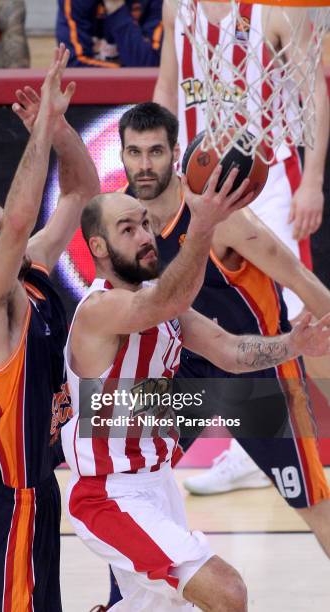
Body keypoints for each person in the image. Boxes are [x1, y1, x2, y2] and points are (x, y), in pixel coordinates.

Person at [95, 101, 330, 611]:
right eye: (134, 152)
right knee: (133, 487)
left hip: (258, 371)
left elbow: (302, 281)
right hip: (187, 374)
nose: (144, 164)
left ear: (176, 155)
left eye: (156, 151)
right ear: (123, 155)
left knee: (313, 503)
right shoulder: (125, 223)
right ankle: (121, 602)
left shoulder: (222, 219)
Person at [0, 45, 99, 611]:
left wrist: (56, 129)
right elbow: (18, 222)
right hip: (2, 502)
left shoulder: (27, 273)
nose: (5, 234)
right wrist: (39, 135)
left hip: (38, 491)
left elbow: (82, 190)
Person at [153, 0, 330, 491]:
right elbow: (167, 87)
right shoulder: (177, 8)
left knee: (302, 316)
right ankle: (251, 448)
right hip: (199, 188)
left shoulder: (273, 12)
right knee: (225, 317)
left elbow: (313, 89)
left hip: (267, 180)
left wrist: (311, 181)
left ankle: (276, 449)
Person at [56, 0, 163, 67]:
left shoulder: (160, 3)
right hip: (96, 93)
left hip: (144, 94)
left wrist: (116, 8)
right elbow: (74, 63)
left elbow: (151, 65)